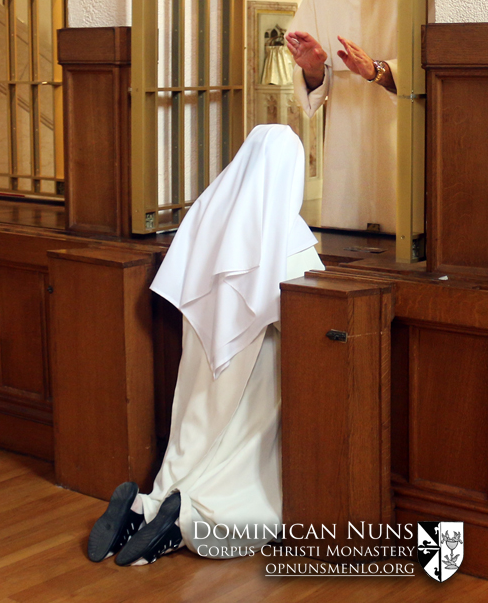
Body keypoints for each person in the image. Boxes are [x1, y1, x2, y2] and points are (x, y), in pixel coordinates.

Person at [88, 124, 325, 566]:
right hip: (257, 356)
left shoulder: (209, 209)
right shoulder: (285, 231)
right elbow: (309, 305)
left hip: (200, 347)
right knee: (240, 445)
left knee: (193, 432)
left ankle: (148, 505)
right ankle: (191, 519)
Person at [286, 0, 398, 234]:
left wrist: (379, 70)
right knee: (344, 238)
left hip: (400, 130)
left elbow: (440, 62)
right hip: (344, 137)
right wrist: (312, 69)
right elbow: (312, 83)